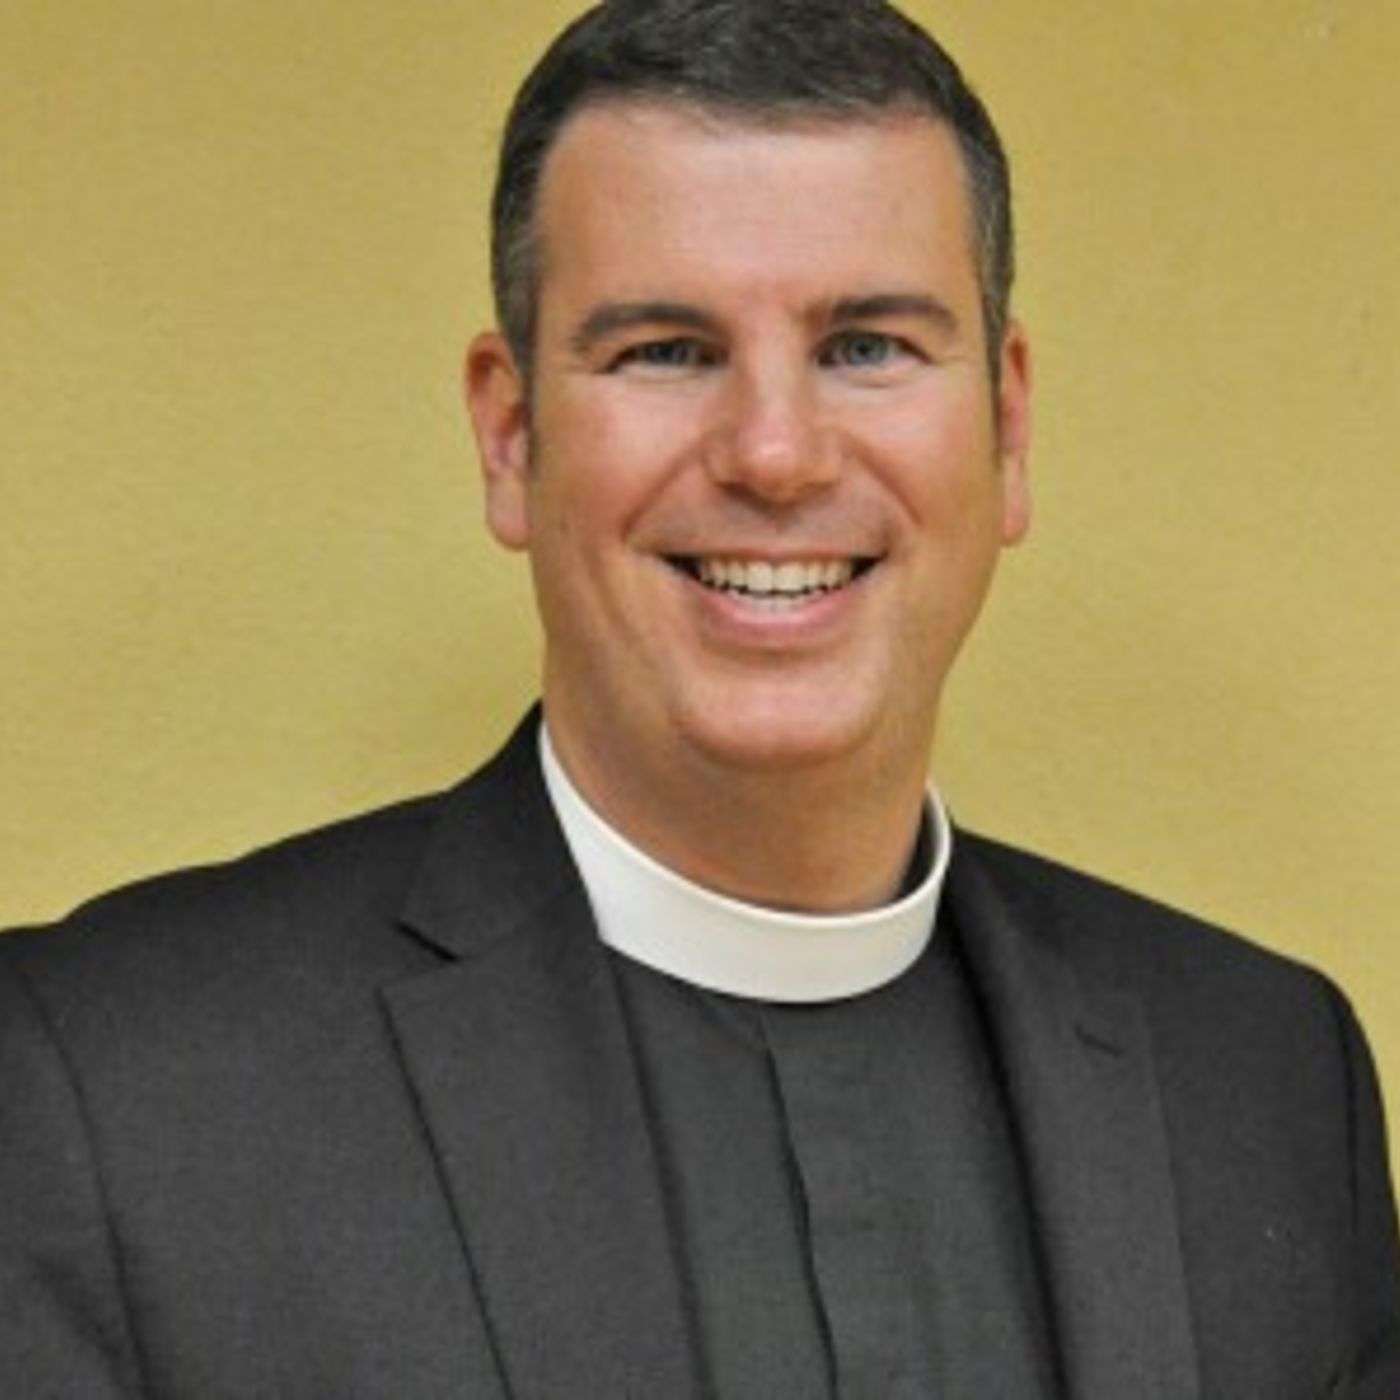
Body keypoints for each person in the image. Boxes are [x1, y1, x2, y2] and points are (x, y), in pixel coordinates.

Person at [2, 0, 1396, 1394]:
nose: (776, 455)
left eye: (867, 346)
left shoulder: (1268, 1087)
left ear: (1008, 427)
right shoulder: (109, 1087)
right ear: (510, 437)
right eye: (666, 351)